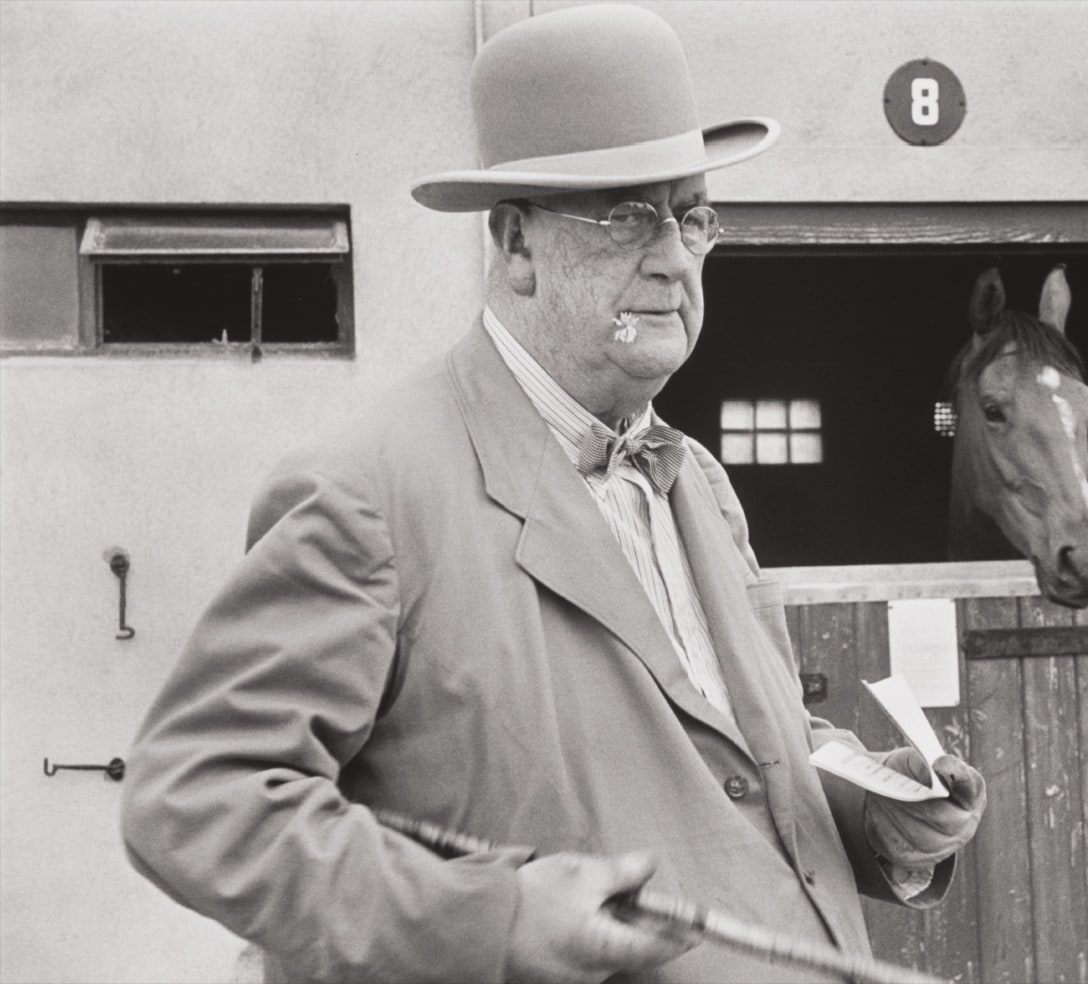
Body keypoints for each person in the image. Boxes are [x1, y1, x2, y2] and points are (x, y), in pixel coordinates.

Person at [120, 6, 986, 982]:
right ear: (516, 244)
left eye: (693, 217)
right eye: (627, 217)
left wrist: (875, 815)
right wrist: (489, 919)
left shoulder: (697, 482)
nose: (674, 257)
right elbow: (196, 797)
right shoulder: (371, 494)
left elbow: (739, 755)